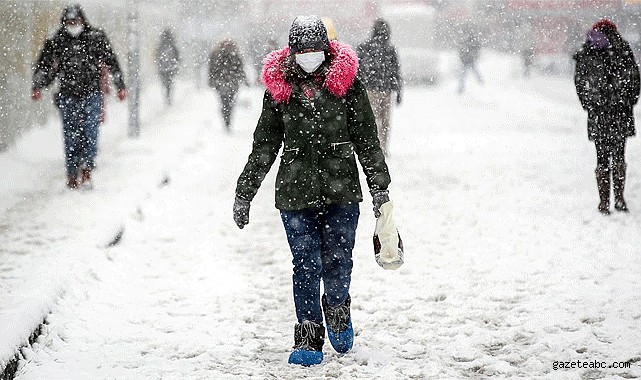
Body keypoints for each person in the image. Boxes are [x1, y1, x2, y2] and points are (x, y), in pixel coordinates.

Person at [233, 15, 391, 366]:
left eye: (314, 50)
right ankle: (307, 337)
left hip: (342, 191)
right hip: (295, 193)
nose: (308, 56)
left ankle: (337, 308)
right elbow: (264, 145)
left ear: (326, 50)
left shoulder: (348, 86)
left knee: (338, 260)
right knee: (305, 264)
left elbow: (367, 141)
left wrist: (380, 188)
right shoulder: (280, 90)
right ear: (292, 52)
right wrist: (245, 192)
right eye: (302, 51)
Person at [31, 4, 126, 190]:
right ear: (64, 23)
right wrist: (38, 85)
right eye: (69, 22)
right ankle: (72, 172)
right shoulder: (56, 40)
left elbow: (112, 61)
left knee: (90, 133)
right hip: (68, 95)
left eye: (75, 22)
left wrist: (120, 85)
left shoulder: (95, 38)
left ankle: (87, 170)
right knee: (71, 135)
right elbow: (44, 65)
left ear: (82, 21)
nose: (73, 25)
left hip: (92, 93)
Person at [574, 19, 640, 215]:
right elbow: (634, 79)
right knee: (619, 154)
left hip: (598, 113)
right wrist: (627, 101)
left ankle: (604, 202)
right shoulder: (623, 49)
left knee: (601, 157)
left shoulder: (589, 50)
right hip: (621, 112)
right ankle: (619, 198)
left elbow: (580, 81)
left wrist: (590, 104)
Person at [356, 18, 402, 156]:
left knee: (371, 121)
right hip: (386, 91)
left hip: (369, 90)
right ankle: (383, 147)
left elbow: (358, 70)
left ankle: (372, 147)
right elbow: (396, 71)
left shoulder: (364, 47)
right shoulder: (390, 50)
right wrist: (398, 91)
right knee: (385, 122)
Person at [208, 39, 247, 132]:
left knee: (224, 102)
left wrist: (211, 80)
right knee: (229, 102)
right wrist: (243, 79)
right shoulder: (235, 54)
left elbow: (212, 69)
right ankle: (227, 118)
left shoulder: (216, 54)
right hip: (231, 82)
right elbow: (240, 69)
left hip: (221, 82)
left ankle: (226, 118)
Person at [156, 29, 180, 106]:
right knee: (169, 82)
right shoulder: (172, 44)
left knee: (165, 82)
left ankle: (167, 95)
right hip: (171, 67)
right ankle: (168, 95)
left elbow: (157, 55)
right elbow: (177, 55)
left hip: (162, 68)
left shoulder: (161, 45)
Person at [457, 24, 483, 94]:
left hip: (468, 59)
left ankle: (480, 83)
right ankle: (480, 82)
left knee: (465, 74)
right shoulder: (467, 40)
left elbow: (476, 46)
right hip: (467, 59)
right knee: (466, 74)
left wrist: (471, 54)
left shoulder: (468, 40)